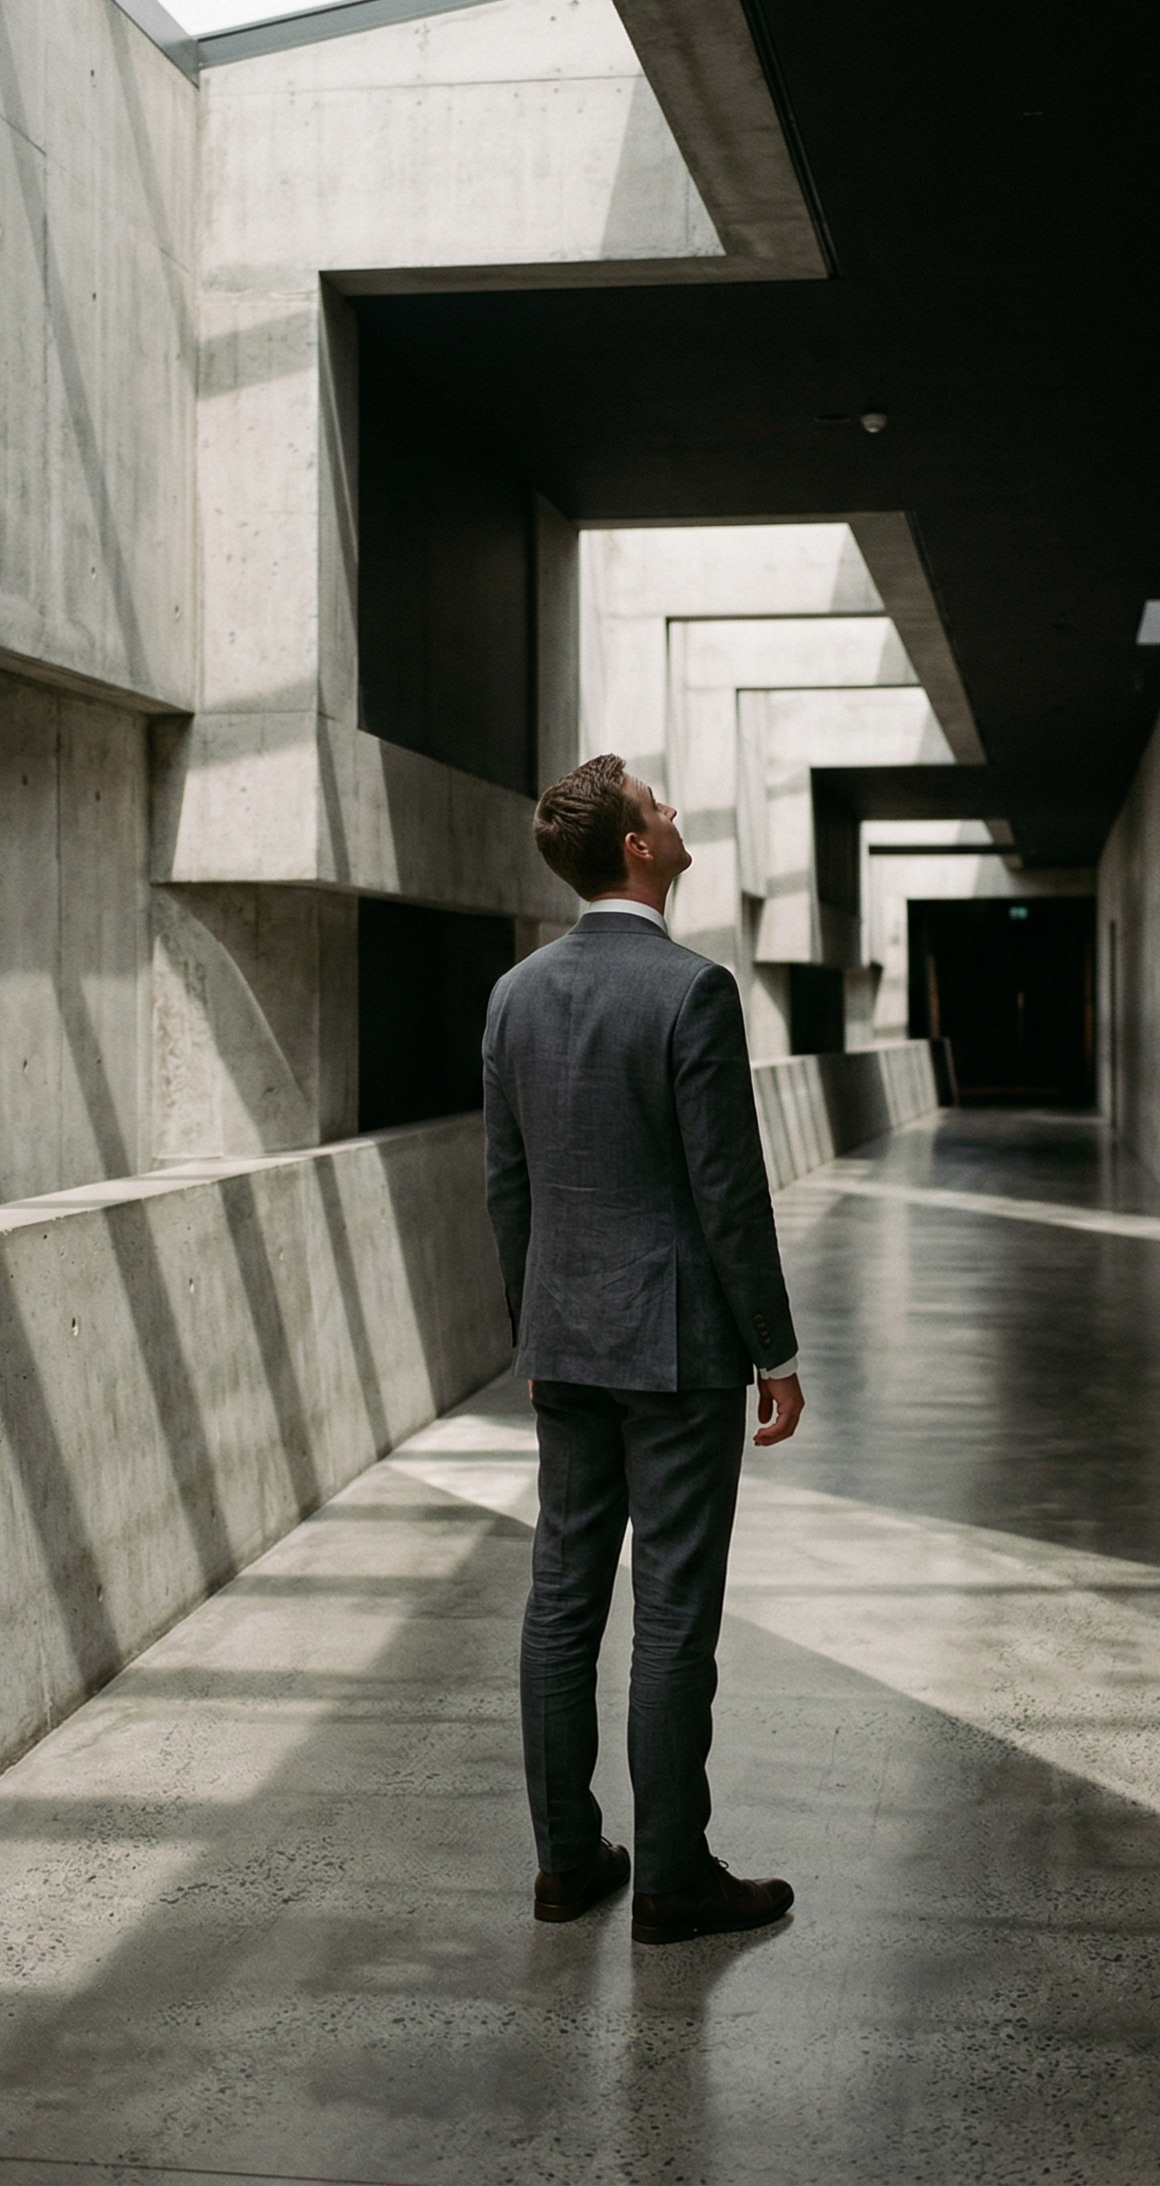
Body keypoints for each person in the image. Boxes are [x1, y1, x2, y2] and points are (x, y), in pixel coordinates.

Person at [482, 753, 804, 1945]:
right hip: (676, 1356)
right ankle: (670, 1874)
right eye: (659, 807)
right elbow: (728, 1193)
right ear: (633, 848)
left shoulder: (515, 995)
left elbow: (505, 1185)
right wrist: (773, 1349)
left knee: (561, 1600)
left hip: (562, 1344)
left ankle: (568, 1863)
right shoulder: (690, 991)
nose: (675, 815)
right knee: (672, 1610)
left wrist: (531, 1325)